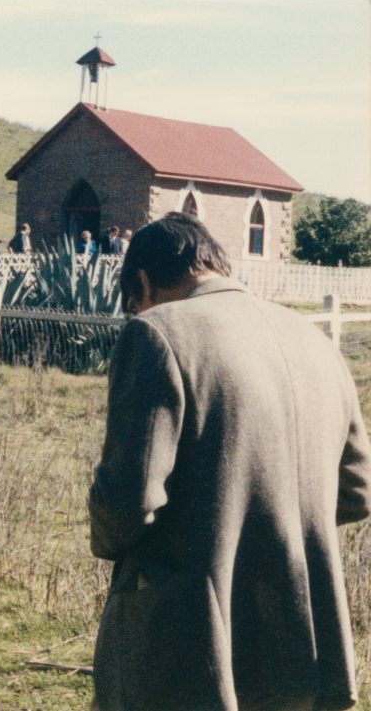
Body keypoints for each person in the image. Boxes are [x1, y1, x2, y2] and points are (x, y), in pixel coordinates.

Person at [89, 212, 371, 710]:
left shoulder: (156, 332)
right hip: (304, 641)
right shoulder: (318, 344)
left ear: (143, 283)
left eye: (135, 303)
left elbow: (128, 502)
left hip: (189, 646)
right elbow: (356, 492)